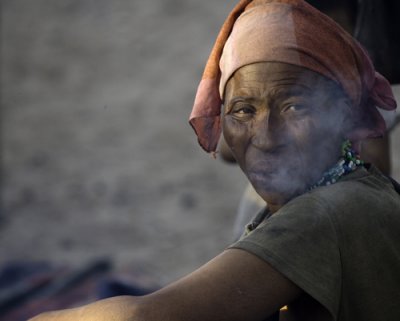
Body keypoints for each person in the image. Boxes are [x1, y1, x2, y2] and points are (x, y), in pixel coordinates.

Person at [30, 0, 400, 320]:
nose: (267, 138)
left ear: (342, 115)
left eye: (295, 106)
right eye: (242, 111)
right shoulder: (348, 187)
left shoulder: (321, 216)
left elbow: (144, 317)